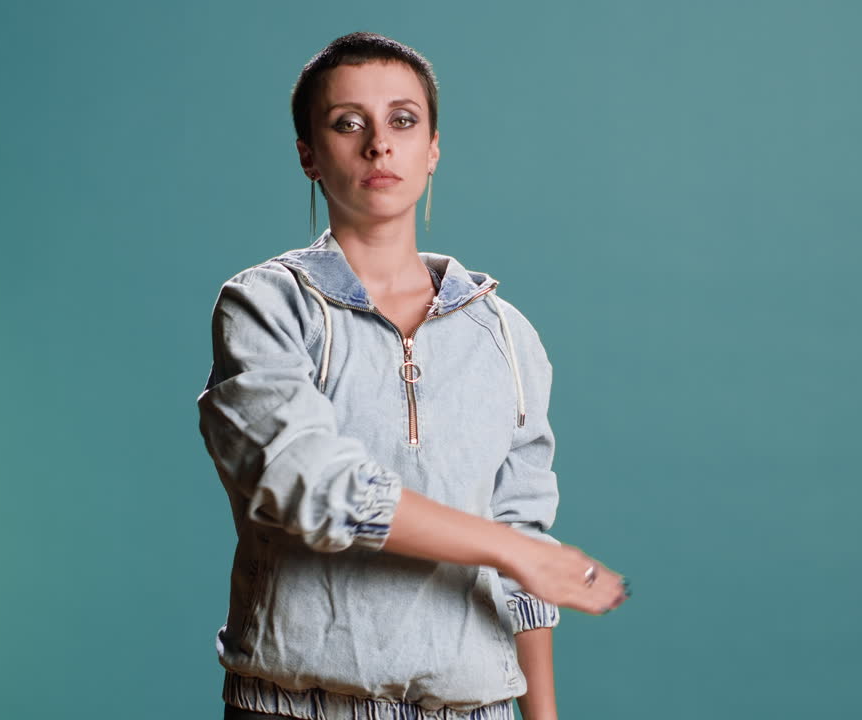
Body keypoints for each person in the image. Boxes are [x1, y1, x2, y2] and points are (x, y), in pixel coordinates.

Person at [196, 31, 630, 720]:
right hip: (299, 707)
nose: (378, 144)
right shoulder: (266, 307)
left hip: (473, 707)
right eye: (348, 124)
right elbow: (311, 485)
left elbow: (525, 533)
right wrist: (514, 550)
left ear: (432, 149)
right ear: (309, 155)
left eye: (402, 120)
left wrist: (542, 714)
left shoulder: (506, 334)